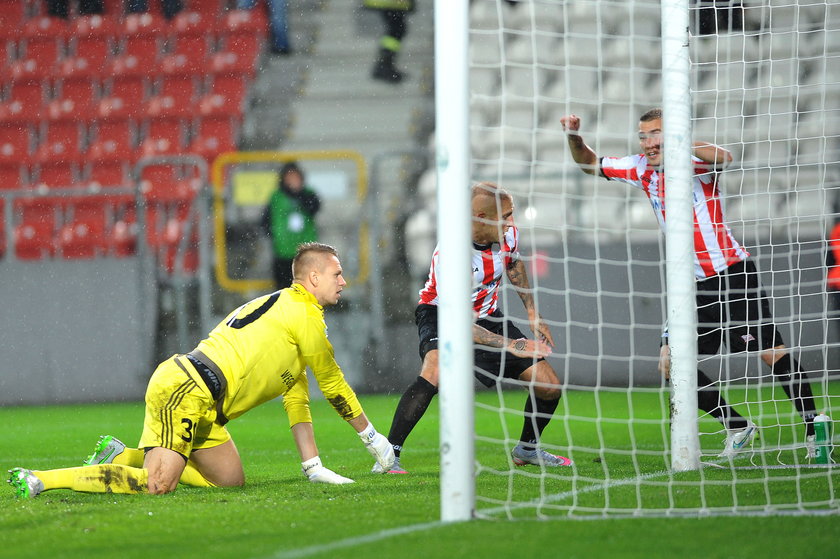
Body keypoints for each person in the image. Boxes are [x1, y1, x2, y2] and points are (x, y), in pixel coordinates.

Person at [7, 243, 395, 498]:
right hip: (190, 387)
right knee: (159, 485)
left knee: (228, 481)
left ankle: (122, 454)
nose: (344, 281)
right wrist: (376, 443)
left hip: (206, 400)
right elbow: (332, 383)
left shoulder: (288, 315)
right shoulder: (304, 315)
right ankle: (41, 479)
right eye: (337, 274)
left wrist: (314, 468)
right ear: (313, 278)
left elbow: (297, 397)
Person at [560, 108, 819, 459]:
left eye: (655, 134)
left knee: (771, 352)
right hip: (694, 284)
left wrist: (681, 144)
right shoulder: (639, 167)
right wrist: (574, 136)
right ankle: (738, 426)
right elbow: (590, 164)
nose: (648, 142)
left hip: (733, 273)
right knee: (671, 362)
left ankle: (814, 428)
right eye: (643, 135)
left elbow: (723, 157)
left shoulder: (695, 164)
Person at [374, 182, 572, 474]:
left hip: (486, 314)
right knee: (435, 369)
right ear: (481, 216)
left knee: (548, 385)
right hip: (441, 312)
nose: (511, 223)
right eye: (504, 216)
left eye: (511, 214)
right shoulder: (453, 255)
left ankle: (527, 449)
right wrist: (512, 344)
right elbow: (462, 325)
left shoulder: (508, 235)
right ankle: (389, 457)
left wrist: (532, 313)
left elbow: (514, 264)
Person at [261, 162, 321, 289]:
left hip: (306, 253)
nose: (293, 180)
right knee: (284, 291)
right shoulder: (276, 197)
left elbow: (314, 208)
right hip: (283, 253)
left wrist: (299, 194)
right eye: (290, 177)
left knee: (308, 290)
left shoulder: (308, 194)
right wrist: (275, 236)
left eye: (295, 177)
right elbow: (265, 221)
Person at [364, 0, 413, 84]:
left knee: (397, 29)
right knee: (397, 30)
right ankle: (384, 63)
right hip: (391, 3)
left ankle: (385, 63)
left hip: (389, 3)